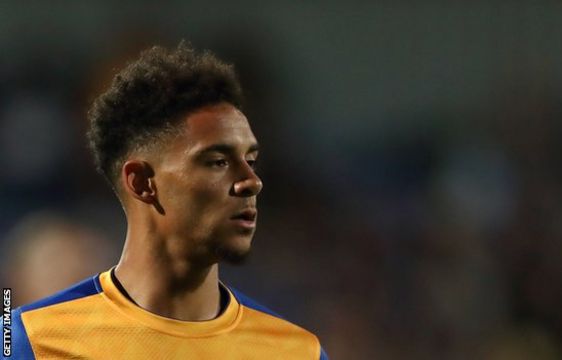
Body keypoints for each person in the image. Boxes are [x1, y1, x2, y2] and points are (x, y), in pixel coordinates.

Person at [8, 42, 328, 359]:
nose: (251, 182)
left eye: (251, 160)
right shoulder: (31, 342)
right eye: (217, 161)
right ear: (142, 182)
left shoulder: (296, 351)